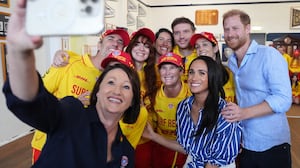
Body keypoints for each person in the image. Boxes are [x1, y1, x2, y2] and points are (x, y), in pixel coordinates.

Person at [4, 2, 140, 167]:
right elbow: (33, 102)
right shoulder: (72, 109)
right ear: (98, 90)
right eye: (110, 82)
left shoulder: (126, 153)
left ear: (133, 99)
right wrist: (20, 54)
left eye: (126, 86)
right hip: (48, 138)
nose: (117, 90)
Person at [30, 28, 130, 163]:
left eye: (120, 42)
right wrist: (73, 103)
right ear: (99, 45)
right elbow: (36, 94)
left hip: (79, 149)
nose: (115, 44)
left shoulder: (111, 80)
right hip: (49, 142)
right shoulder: (69, 62)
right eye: (111, 39)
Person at [221, 9, 292, 168]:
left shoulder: (268, 55)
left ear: (247, 29)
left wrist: (243, 113)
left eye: (235, 28)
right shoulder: (232, 62)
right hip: (247, 144)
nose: (230, 33)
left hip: (272, 145)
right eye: (226, 29)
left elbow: (283, 99)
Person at [143, 56, 242, 168]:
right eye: (191, 72)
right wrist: (153, 136)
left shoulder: (225, 111)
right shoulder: (183, 107)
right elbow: (186, 147)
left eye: (202, 73)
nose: (194, 78)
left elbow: (214, 163)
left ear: (212, 77)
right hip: (193, 162)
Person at [125, 27, 159, 168]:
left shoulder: (155, 73)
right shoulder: (121, 70)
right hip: (124, 137)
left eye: (146, 46)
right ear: (131, 47)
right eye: (137, 44)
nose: (141, 49)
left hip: (146, 138)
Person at [152, 52, 191, 168]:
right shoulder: (153, 96)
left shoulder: (192, 94)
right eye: (163, 68)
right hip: (160, 148)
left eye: (172, 67)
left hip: (185, 151)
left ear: (181, 71)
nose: (167, 72)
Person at [189, 32, 235, 102]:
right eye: (197, 47)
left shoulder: (230, 71)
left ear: (215, 48)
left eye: (205, 45)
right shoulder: (194, 75)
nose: (200, 49)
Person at [171, 17, 197, 82]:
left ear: (194, 33)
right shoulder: (169, 53)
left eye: (186, 31)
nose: (181, 36)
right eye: (177, 33)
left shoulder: (201, 52)